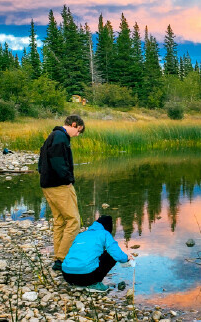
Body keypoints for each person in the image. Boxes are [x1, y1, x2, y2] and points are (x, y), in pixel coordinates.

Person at [38, 115, 85, 271]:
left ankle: (59, 257)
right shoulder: (60, 137)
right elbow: (58, 162)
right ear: (73, 124)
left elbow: (41, 158)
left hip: (48, 185)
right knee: (74, 221)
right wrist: (68, 179)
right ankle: (63, 258)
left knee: (60, 221)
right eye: (78, 131)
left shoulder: (53, 136)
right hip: (59, 186)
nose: (77, 135)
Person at [61, 215, 132, 292]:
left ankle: (77, 284)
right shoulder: (105, 233)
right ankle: (94, 284)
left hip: (67, 276)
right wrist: (126, 258)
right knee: (110, 255)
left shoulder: (81, 235)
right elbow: (117, 254)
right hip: (86, 277)